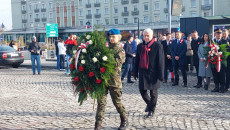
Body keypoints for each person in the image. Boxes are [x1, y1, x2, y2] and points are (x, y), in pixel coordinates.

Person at [95, 29, 128, 130]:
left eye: (113, 36)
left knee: (117, 102)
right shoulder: (105, 49)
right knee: (101, 103)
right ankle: (98, 124)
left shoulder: (120, 51)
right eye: (110, 37)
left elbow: (115, 63)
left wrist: (103, 58)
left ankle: (124, 120)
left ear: (119, 37)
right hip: (103, 80)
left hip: (114, 81)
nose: (111, 38)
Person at [134, 28, 164, 118]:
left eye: (148, 36)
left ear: (151, 36)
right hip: (143, 72)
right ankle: (150, 104)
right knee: (142, 91)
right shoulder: (140, 46)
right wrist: (135, 72)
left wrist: (161, 74)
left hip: (153, 73)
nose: (146, 37)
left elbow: (161, 61)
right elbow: (137, 60)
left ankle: (151, 110)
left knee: (153, 93)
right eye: (144, 35)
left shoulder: (157, 45)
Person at [212, 29, 226, 93]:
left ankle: (222, 87)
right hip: (214, 61)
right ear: (215, 34)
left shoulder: (224, 41)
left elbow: (227, 52)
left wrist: (222, 57)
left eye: (220, 33)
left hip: (221, 61)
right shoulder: (213, 41)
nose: (219, 34)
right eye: (217, 33)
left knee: (222, 74)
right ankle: (216, 86)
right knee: (215, 74)